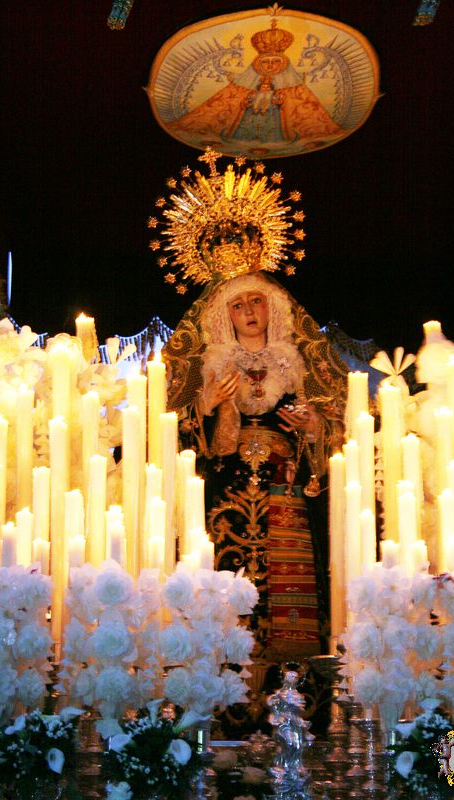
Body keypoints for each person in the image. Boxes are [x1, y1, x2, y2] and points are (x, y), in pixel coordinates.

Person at [152, 150, 347, 726]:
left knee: (291, 599)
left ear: (273, 307)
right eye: (237, 305)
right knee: (226, 597)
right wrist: (205, 408)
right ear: (224, 317)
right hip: (224, 502)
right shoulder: (206, 369)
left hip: (287, 496)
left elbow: (340, 429)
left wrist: (313, 429)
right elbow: (164, 439)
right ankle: (225, 711)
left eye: (257, 300)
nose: (249, 311)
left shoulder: (299, 363)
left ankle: (295, 713)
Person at [168, 18, 343, 154]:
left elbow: (308, 114)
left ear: (283, 63)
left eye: (275, 61)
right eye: (266, 62)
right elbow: (224, 106)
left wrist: (281, 103)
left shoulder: (296, 88)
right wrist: (246, 103)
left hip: (275, 121)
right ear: (258, 63)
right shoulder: (241, 86)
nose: (270, 65)